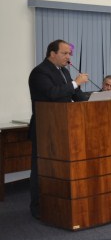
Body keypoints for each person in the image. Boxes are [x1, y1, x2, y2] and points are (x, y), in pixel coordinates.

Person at [28, 39, 90, 219]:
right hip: (45, 129)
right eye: (64, 53)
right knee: (42, 168)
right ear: (52, 54)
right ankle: (38, 207)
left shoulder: (63, 71)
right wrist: (75, 83)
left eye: (69, 53)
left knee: (60, 168)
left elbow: (76, 96)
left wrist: (96, 100)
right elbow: (52, 94)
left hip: (64, 128)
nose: (68, 57)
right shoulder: (39, 72)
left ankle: (59, 202)